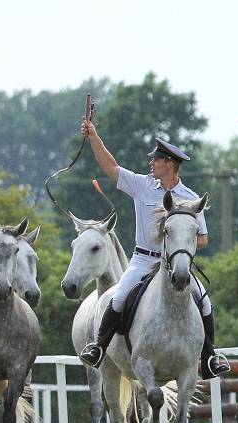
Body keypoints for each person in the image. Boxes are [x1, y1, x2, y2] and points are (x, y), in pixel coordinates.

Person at [77, 119, 230, 378]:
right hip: (142, 261)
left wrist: (179, 248)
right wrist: (93, 137)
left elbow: (202, 238)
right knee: (118, 297)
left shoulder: (191, 198)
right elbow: (110, 167)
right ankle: (99, 347)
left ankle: (209, 358)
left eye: (156, 160)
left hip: (175, 264)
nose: (151, 163)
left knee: (204, 301)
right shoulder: (142, 185)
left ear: (169, 164)